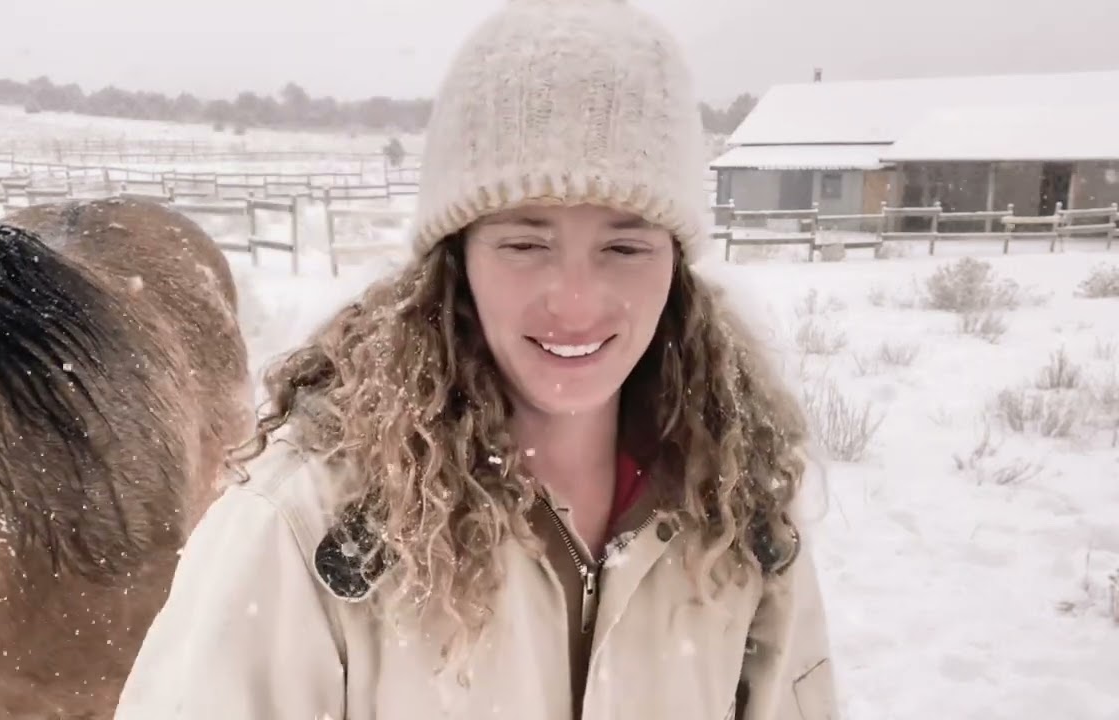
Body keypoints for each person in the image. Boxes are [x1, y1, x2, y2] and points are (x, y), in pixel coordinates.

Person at [113, 0, 841, 717]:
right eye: (526, 243)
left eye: (625, 246)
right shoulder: (314, 526)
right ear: (455, 261)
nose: (576, 301)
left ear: (676, 267)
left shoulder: (737, 508)